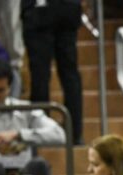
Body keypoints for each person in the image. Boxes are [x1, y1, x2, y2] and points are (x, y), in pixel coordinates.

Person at [21, 0, 83, 144]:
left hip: (39, 11)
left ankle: (42, 133)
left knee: (40, 75)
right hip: (67, 9)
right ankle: (74, 134)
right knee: (69, 74)